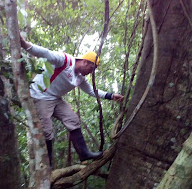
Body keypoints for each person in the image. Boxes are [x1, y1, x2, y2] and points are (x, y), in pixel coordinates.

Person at [20, 35, 124, 167]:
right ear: (85, 62)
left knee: (73, 119)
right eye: (91, 68)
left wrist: (110, 95)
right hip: (40, 95)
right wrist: (25, 44)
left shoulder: (80, 77)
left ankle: (84, 153)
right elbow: (45, 53)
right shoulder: (65, 61)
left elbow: (92, 91)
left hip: (55, 98)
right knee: (47, 130)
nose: (91, 72)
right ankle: (48, 164)